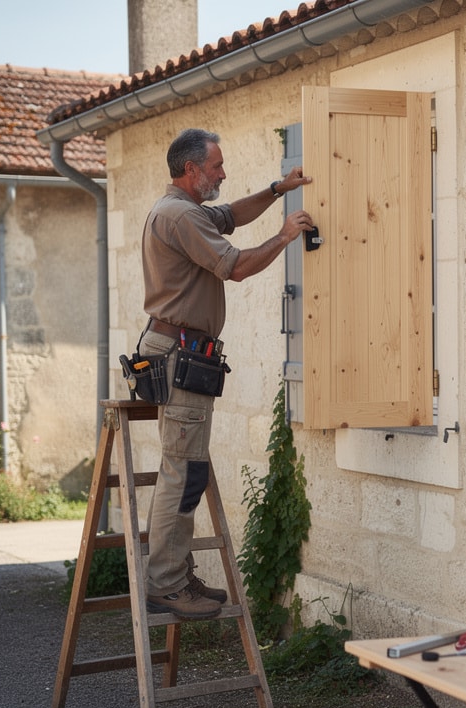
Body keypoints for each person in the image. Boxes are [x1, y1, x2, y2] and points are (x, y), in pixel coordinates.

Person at [138, 127, 314, 619]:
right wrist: (284, 236)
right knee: (183, 469)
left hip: (176, 350)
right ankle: (167, 583)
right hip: (180, 354)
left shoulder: (183, 209)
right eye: (215, 166)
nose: (222, 172)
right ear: (191, 170)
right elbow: (234, 267)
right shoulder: (180, 216)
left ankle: (174, 573)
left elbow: (231, 215)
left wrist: (279, 190)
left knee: (184, 465)